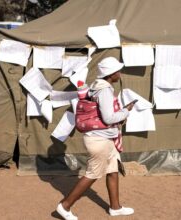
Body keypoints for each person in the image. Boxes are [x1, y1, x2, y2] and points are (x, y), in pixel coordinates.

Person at [56, 57, 135, 220]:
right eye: (118, 71)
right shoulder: (104, 90)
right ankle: (65, 206)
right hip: (100, 139)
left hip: (104, 138)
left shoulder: (96, 86)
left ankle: (115, 207)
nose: (120, 73)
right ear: (111, 74)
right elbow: (108, 118)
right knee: (93, 173)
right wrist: (126, 110)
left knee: (113, 170)